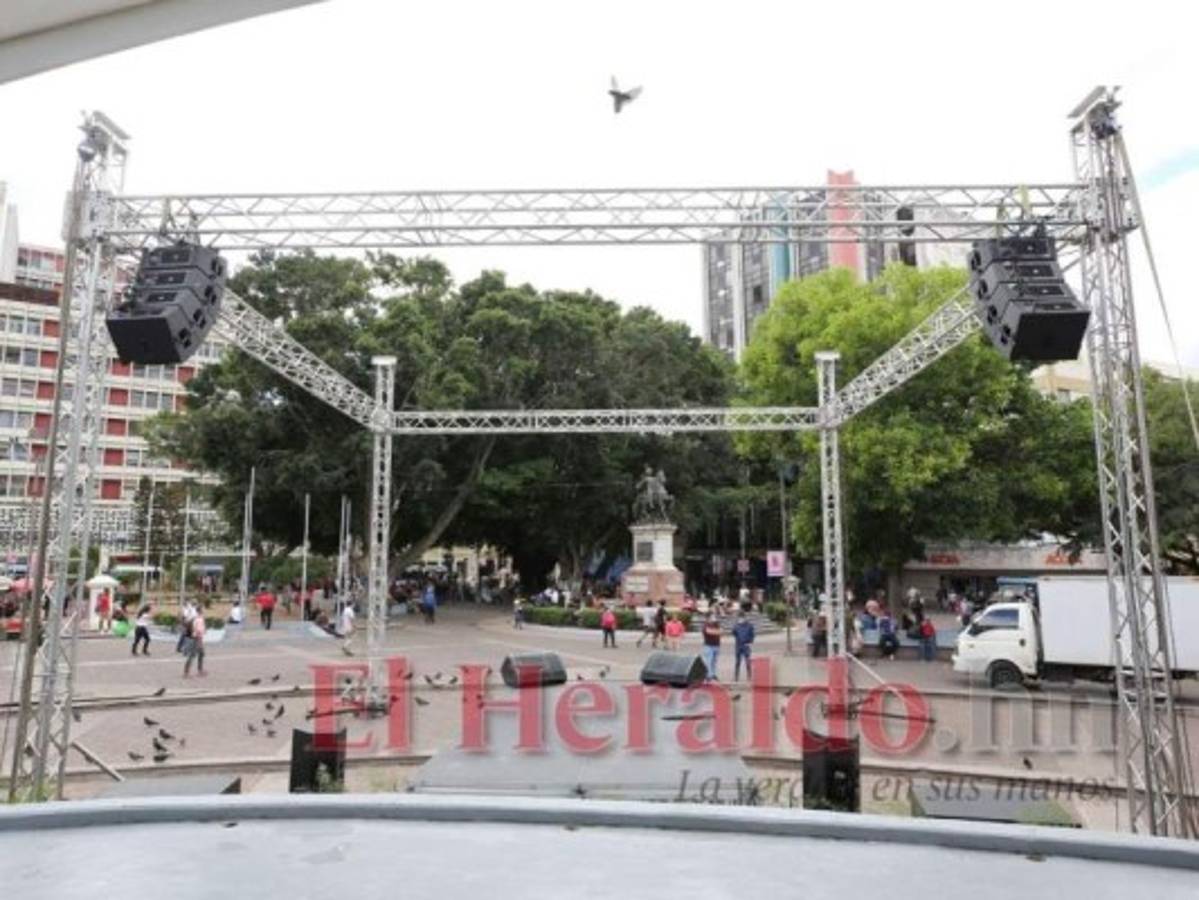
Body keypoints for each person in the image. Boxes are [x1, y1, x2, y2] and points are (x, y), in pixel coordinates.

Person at [732, 610, 755, 681]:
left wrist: (750, 642)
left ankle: (749, 676)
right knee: (737, 662)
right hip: (738, 645)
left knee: (747, 661)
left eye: (742, 618)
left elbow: (752, 635)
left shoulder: (749, 625)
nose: (741, 619)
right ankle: (736, 676)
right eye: (740, 618)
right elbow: (734, 633)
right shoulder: (736, 625)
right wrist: (736, 625)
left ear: (745, 618)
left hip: (746, 645)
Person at [183, 613, 206, 678]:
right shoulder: (196, 620)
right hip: (194, 639)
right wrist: (199, 638)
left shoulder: (193, 619)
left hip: (193, 638)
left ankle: (200, 670)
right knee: (192, 655)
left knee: (201, 653)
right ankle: (186, 672)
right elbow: (197, 631)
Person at [701, 614, 722, 680]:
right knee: (708, 661)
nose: (714, 618)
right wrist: (716, 632)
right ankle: (708, 675)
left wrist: (716, 631)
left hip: (717, 645)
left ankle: (713, 674)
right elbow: (709, 632)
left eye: (714, 617)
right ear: (708, 618)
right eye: (712, 617)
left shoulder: (717, 624)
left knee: (714, 661)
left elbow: (721, 631)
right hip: (708, 646)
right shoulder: (705, 625)